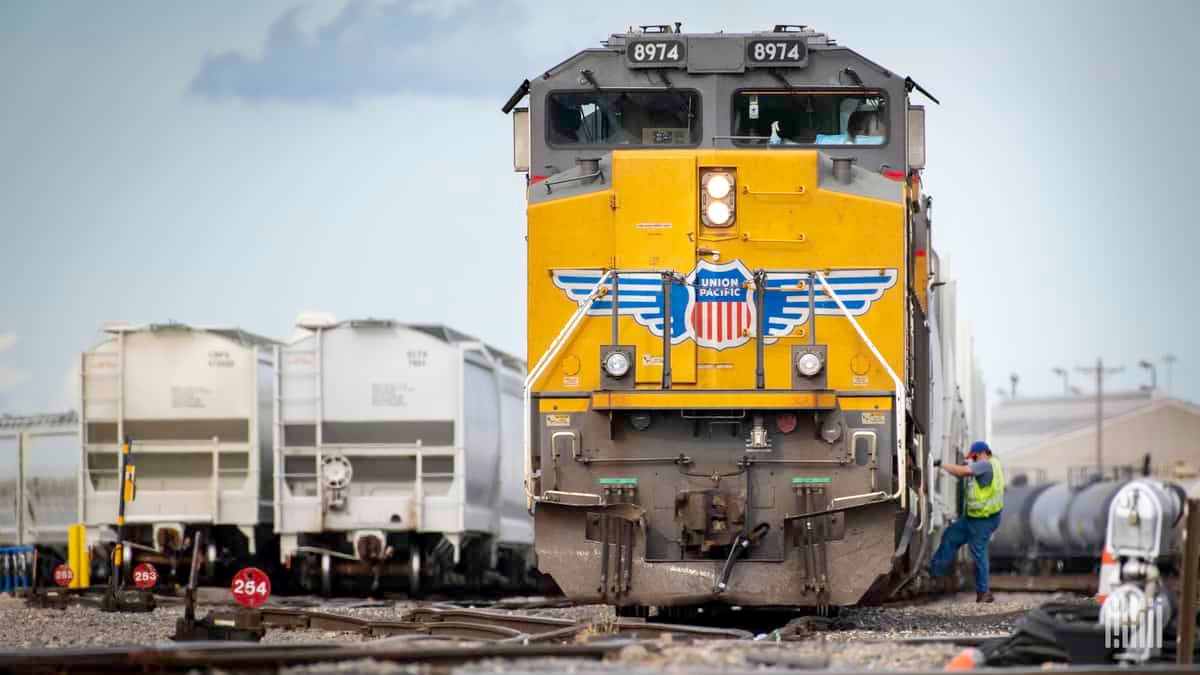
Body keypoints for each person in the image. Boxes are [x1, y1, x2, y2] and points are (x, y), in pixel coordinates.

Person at [929, 441, 1006, 603]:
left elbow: (963, 471)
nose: (974, 460)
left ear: (984, 453)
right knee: (950, 536)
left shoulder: (985, 464)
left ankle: (984, 593)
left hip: (983, 520)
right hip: (973, 518)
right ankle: (934, 573)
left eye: (975, 457)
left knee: (978, 553)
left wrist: (941, 465)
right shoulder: (990, 465)